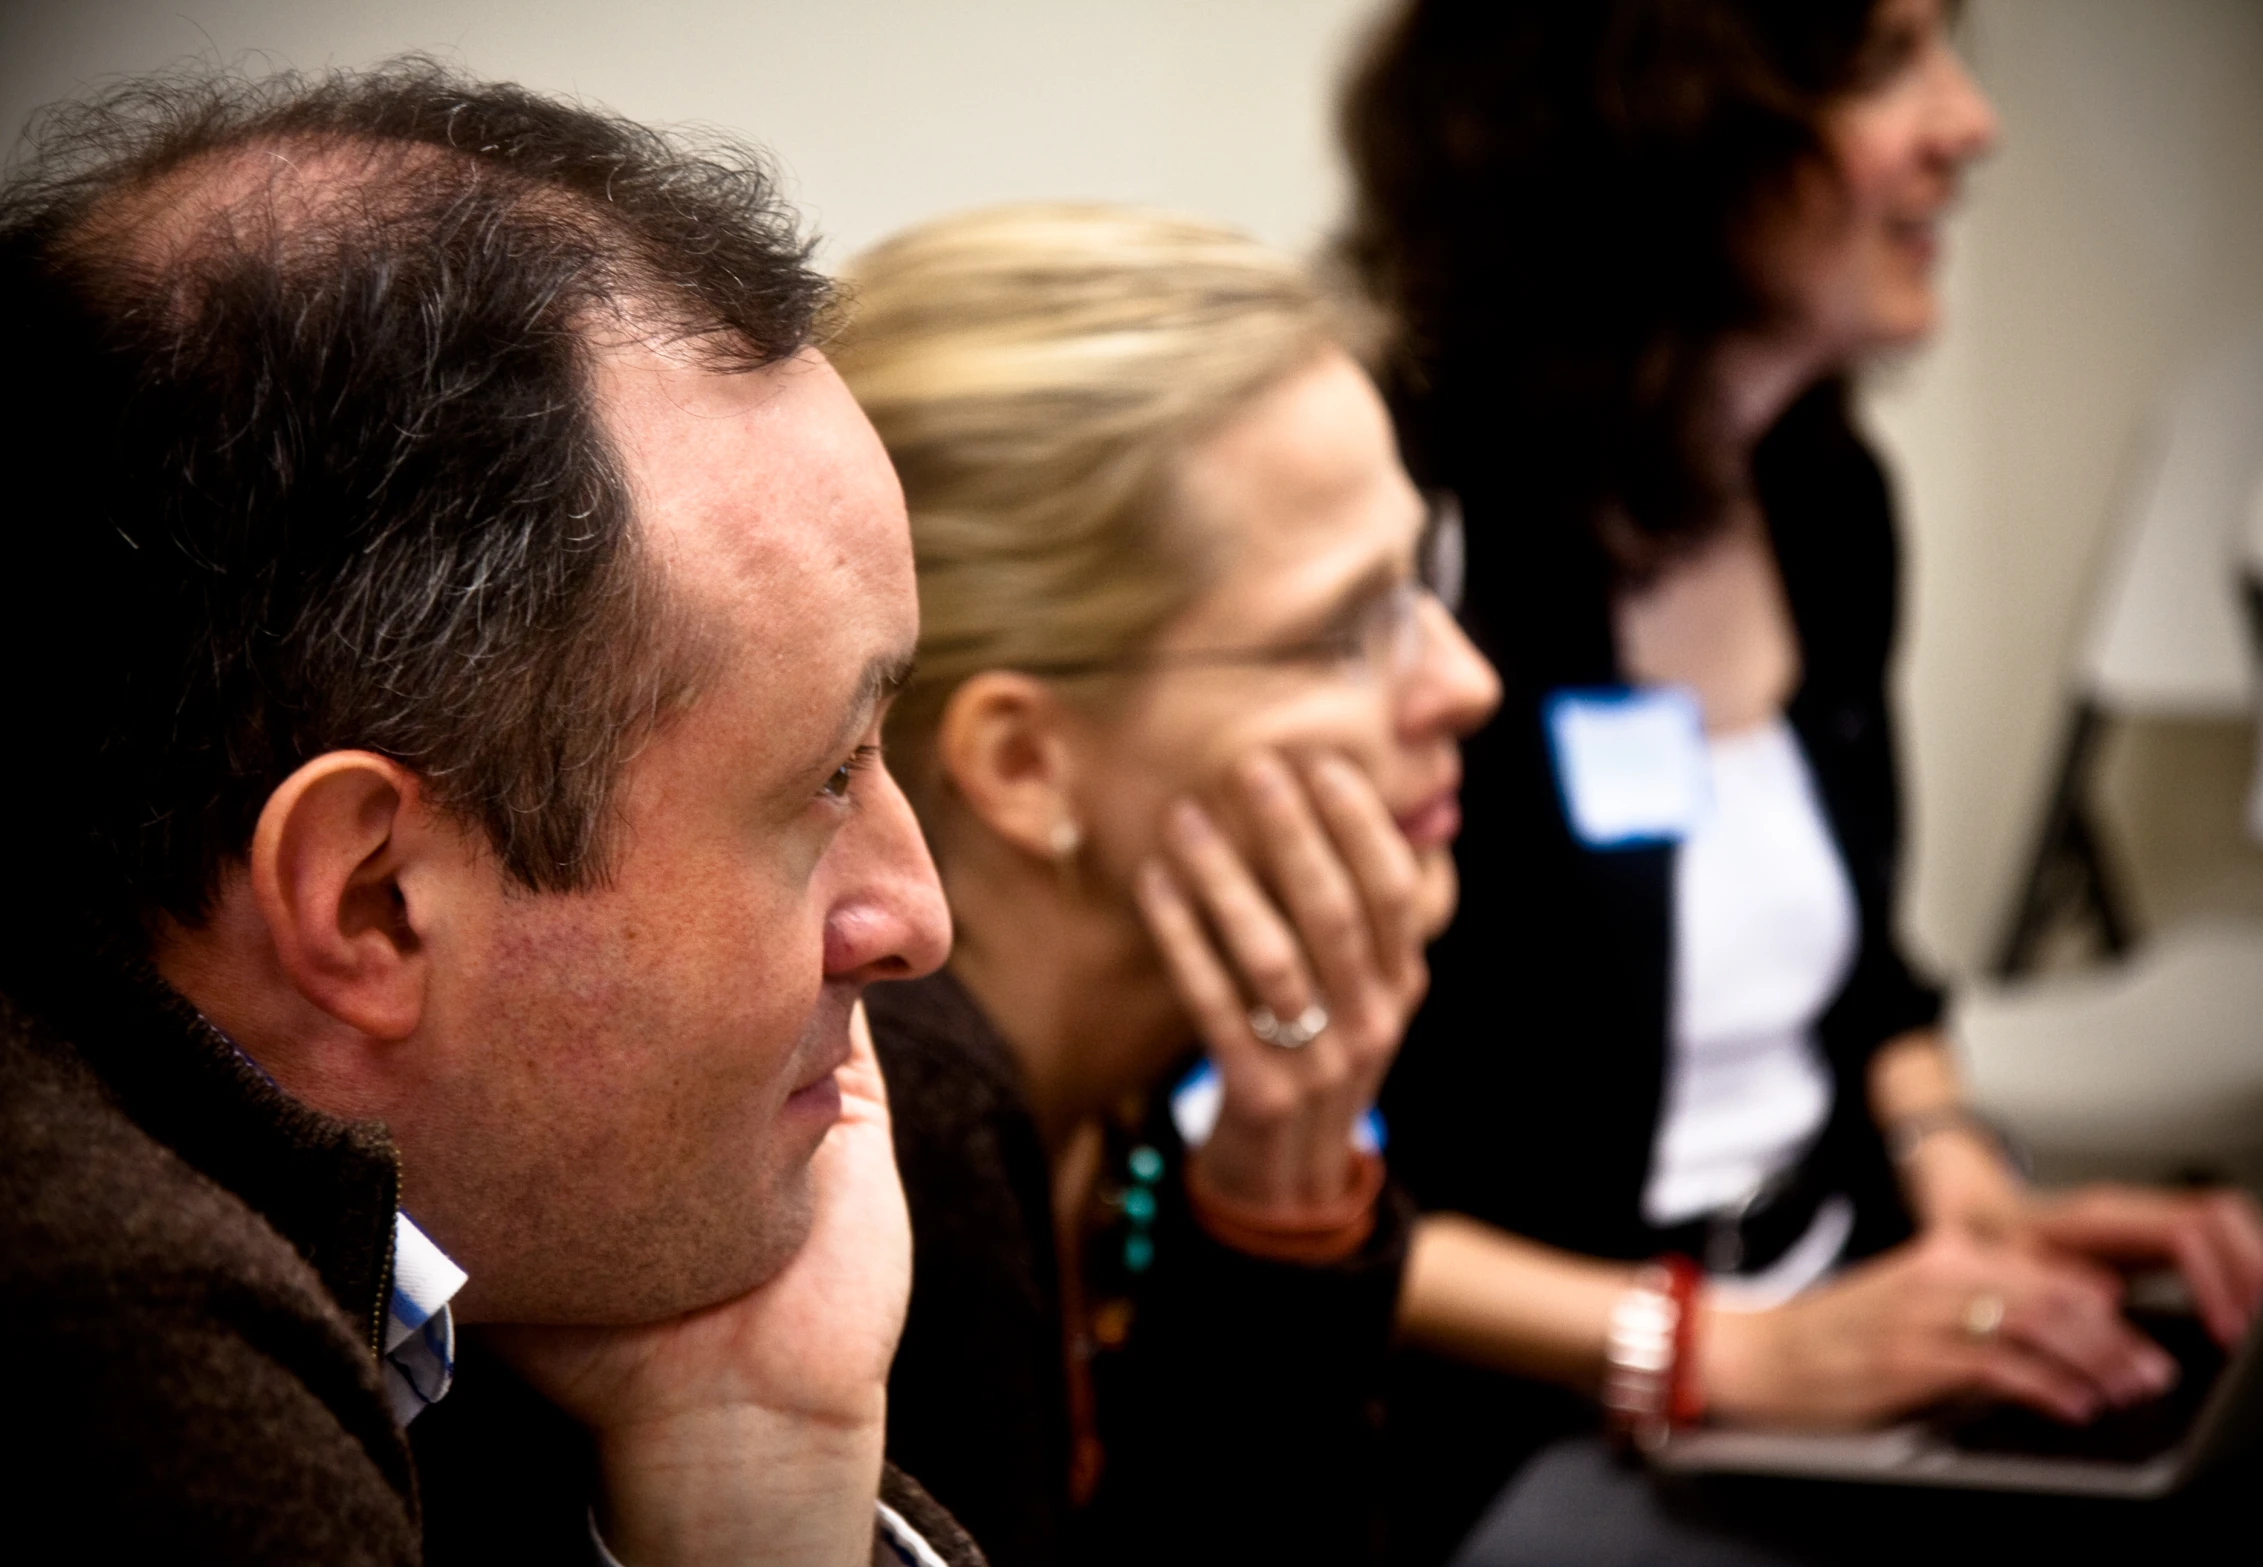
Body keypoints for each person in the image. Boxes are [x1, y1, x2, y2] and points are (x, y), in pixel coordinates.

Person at [1338, 0, 2263, 1558]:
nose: (1966, 124)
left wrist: (1963, 1174)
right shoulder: (1404, 544)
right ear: (1645, 121)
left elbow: (1868, 979)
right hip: (1535, 1414)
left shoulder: (1819, 490)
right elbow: (1238, 1171)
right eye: (1880, 59)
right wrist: (1707, 1352)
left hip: (1841, 1317)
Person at [0, 63, 975, 1565]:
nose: (914, 919)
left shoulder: (463, 1237)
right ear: (373, 898)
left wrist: (755, 1457)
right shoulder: (117, 1368)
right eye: (827, 778)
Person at [828, 204, 1502, 1566]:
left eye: (1424, 580)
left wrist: (1284, 1193)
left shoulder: (1109, 1100)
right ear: (1025, 762)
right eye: (1345, 628)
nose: (1464, 681)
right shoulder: (894, 1142)